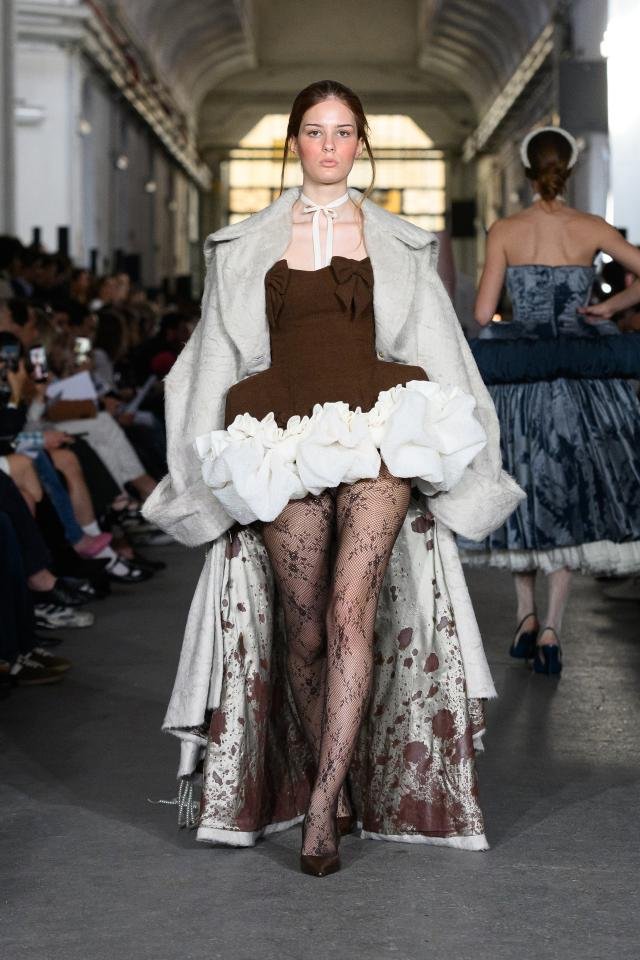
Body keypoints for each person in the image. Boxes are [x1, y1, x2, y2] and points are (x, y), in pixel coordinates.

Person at [143, 80, 522, 876]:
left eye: (343, 131)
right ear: (295, 142)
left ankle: (322, 809)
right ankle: (335, 780)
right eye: (315, 131)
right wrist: (197, 473)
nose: (328, 145)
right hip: (279, 435)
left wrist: (473, 457)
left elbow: (441, 345)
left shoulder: (399, 242)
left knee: (352, 610)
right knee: (306, 625)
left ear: (360, 143)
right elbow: (212, 359)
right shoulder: (246, 245)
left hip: (379, 429)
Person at [469, 126, 640, 674]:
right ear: (569, 169)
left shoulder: (506, 230)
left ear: (525, 172)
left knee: (520, 484)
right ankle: (552, 629)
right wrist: (610, 309)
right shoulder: (591, 228)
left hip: (521, 377)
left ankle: (524, 614)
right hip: (581, 373)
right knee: (569, 488)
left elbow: (482, 313)